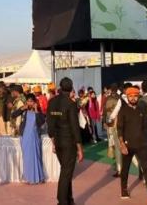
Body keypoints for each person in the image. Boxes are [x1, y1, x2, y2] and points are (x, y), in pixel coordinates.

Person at [116, 84, 147, 203]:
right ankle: (124, 190)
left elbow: (146, 127)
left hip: (142, 145)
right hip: (127, 145)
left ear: (138, 97)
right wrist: (122, 144)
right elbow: (119, 129)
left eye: (135, 96)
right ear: (127, 97)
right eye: (130, 96)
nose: (133, 98)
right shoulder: (123, 111)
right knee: (125, 169)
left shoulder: (142, 110)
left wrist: (146, 141)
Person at [47, 77, 84, 205]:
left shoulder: (52, 102)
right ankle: (62, 201)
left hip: (58, 141)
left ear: (60, 87)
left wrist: (53, 142)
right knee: (66, 174)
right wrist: (79, 148)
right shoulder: (70, 104)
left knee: (66, 171)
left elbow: (50, 124)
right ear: (71, 88)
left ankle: (69, 200)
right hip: (68, 142)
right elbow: (75, 127)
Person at [12, 93, 46, 184]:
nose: (29, 103)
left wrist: (36, 110)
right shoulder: (24, 110)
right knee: (27, 157)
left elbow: (41, 122)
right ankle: (28, 177)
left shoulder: (38, 111)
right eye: (28, 101)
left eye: (31, 101)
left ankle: (38, 177)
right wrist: (22, 109)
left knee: (36, 156)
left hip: (34, 136)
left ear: (35, 102)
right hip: (25, 136)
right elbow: (13, 115)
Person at [102, 83, 122, 178]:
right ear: (117, 89)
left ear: (110, 89)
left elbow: (104, 112)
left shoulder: (107, 99)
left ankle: (119, 167)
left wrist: (104, 122)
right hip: (118, 123)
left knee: (113, 144)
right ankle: (119, 165)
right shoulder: (120, 98)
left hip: (110, 124)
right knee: (118, 145)